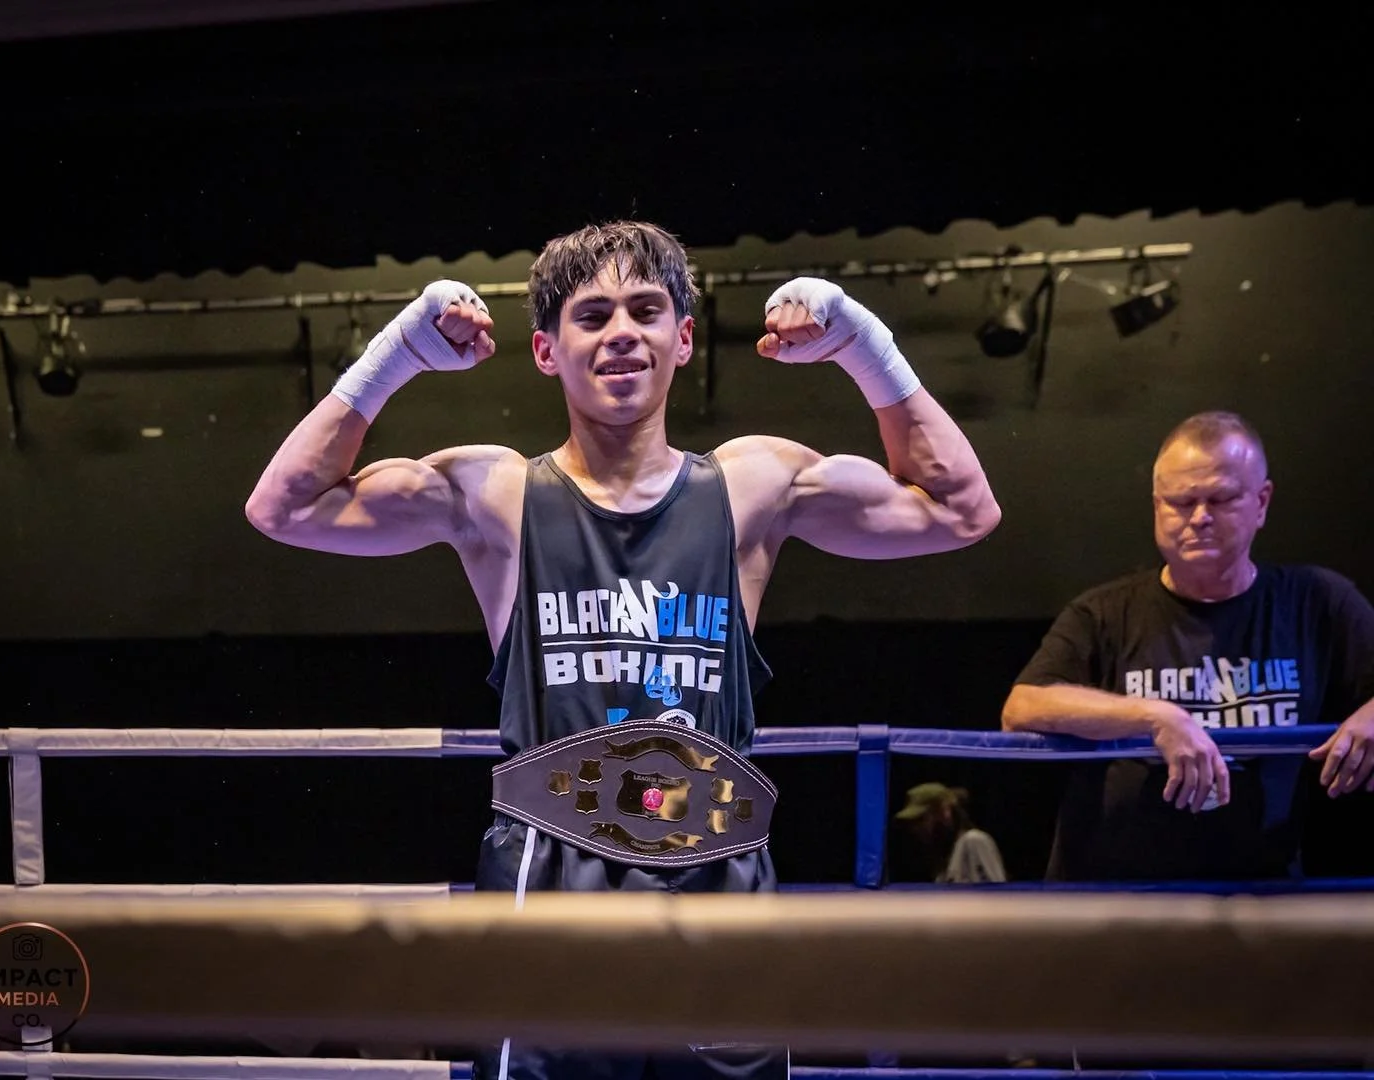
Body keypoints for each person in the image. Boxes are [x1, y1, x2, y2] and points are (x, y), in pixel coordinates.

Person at [245, 220, 1000, 1079]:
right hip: (555, 876)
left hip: (719, 867)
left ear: (682, 339)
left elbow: (961, 511)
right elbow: (284, 509)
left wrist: (865, 346)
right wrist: (397, 353)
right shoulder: (497, 493)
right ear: (545, 350)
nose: (620, 334)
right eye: (592, 315)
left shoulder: (751, 486)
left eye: (645, 310)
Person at [1002, 410, 1374, 882]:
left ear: (1261, 503)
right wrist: (1156, 716)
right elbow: (1022, 706)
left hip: (1264, 900)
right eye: (1181, 501)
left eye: (1220, 499)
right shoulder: (1103, 612)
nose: (1199, 517)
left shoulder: (1320, 602)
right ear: (1157, 506)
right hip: (1112, 902)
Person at [894, 782, 1007, 883]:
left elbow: (998, 900)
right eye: (912, 824)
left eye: (921, 820)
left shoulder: (973, 841)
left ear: (944, 812)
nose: (916, 829)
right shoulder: (944, 860)